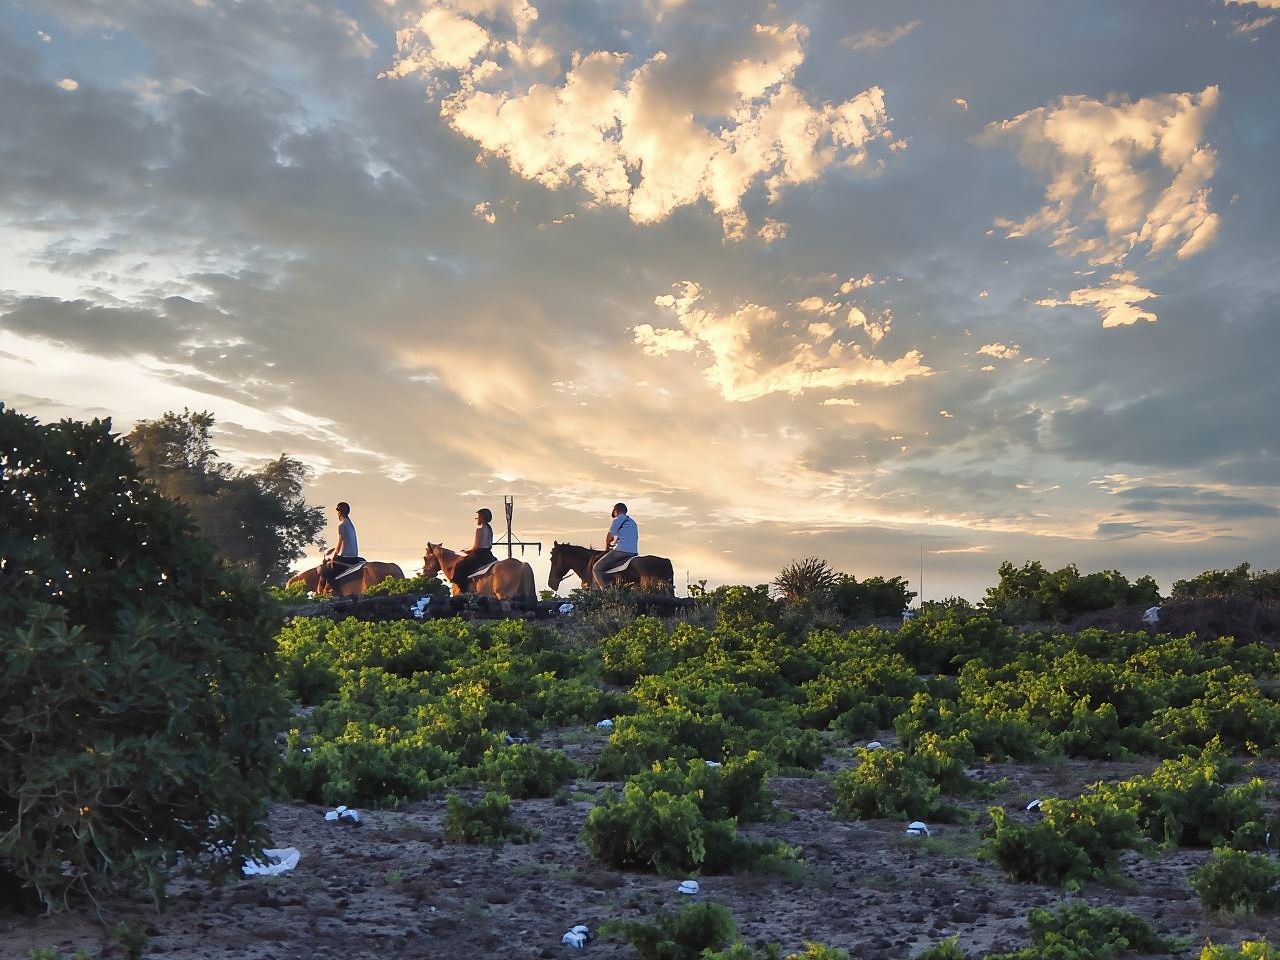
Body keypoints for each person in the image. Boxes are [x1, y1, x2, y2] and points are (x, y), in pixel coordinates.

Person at [593, 502, 638, 588]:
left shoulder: (618, 519)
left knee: (596, 568)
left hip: (621, 551)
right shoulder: (632, 522)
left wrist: (607, 546)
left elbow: (610, 536)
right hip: (633, 552)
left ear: (616, 511)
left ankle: (605, 592)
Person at [451, 507, 497, 592]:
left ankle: (463, 590)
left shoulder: (479, 529)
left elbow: (476, 547)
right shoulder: (489, 529)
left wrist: (465, 551)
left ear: (482, 517)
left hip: (479, 555)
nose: (477, 519)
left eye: (478, 517)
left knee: (459, 566)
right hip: (488, 554)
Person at [319, 501, 361, 592]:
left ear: (340, 512)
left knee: (325, 569)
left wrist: (329, 557)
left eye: (338, 512)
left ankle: (333, 592)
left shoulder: (341, 525)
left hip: (346, 557)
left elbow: (338, 549)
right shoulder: (351, 524)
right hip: (355, 555)